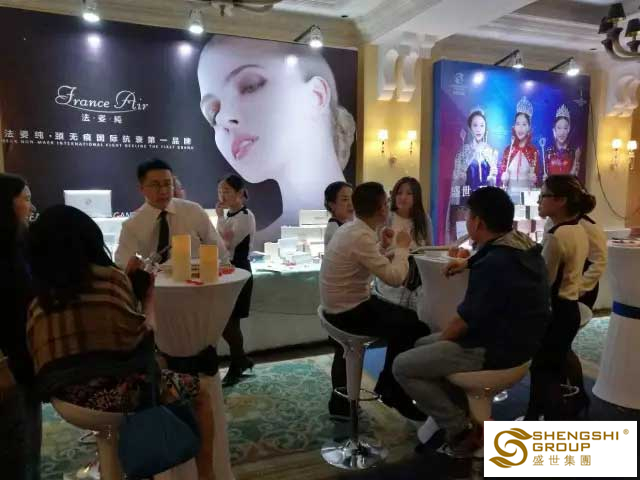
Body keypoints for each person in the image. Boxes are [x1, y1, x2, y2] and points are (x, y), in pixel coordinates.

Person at [26, 205, 215, 479]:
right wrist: (147, 298)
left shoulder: (38, 298)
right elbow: (143, 338)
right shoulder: (110, 280)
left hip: (66, 400)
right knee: (202, 391)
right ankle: (207, 475)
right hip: (118, 397)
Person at [393, 187, 550, 457]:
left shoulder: (494, 265)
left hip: (493, 349)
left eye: (468, 216)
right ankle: (460, 411)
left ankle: (461, 429)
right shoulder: (524, 246)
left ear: (478, 222)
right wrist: (467, 264)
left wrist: (439, 345)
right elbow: (492, 257)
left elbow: (461, 324)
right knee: (421, 344)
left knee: (403, 365)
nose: (466, 221)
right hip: (523, 344)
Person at [197, 35, 356, 248]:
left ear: (316, 95)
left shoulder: (366, 229)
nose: (224, 118)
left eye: (250, 86)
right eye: (213, 113)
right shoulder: (258, 244)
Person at [320, 182, 430, 421]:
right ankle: (393, 389)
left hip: (339, 306)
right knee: (415, 326)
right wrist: (402, 248)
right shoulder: (359, 235)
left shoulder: (352, 229)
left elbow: (365, 259)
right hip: (348, 311)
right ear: (382, 208)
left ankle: (389, 385)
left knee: (405, 320)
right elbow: (395, 278)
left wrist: (383, 245)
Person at [525, 175, 591, 421]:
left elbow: (544, 282)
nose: (539, 201)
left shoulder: (557, 236)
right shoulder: (578, 229)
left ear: (561, 201)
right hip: (569, 308)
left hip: (555, 312)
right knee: (553, 367)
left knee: (544, 373)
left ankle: (543, 421)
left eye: (543, 196)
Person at [0, 173, 41, 480]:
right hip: (7, 363)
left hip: (24, 357)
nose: (31, 206)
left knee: (26, 435)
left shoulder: (20, 242)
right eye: (25, 199)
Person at [114, 158, 228, 268]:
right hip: (155, 280)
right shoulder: (133, 224)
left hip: (194, 279)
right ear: (141, 188)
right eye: (155, 185)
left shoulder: (193, 211)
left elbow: (218, 250)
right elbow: (122, 263)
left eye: (167, 184)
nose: (163, 191)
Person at [216, 174, 257, 385]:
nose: (222, 195)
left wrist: (219, 219)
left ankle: (237, 364)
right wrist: (220, 217)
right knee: (227, 321)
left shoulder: (245, 216)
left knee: (230, 322)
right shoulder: (229, 216)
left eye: (227, 191)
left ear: (240, 193)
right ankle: (241, 360)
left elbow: (225, 245)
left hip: (240, 271)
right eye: (220, 191)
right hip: (228, 271)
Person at [375, 177, 433, 310]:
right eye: (399, 193)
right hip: (389, 280)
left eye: (409, 193)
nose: (403, 197)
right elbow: (376, 250)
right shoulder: (387, 218)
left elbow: (429, 250)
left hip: (416, 282)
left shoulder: (424, 219)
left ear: (416, 197)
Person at [499, 96, 539, 196]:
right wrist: (503, 178)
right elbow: (502, 180)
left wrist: (534, 180)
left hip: (527, 198)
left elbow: (538, 180)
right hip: (509, 197)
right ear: (514, 127)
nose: (520, 128)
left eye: (524, 124)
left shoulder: (533, 151)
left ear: (529, 127)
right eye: (518, 124)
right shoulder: (508, 150)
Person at [543, 105, 581, 178]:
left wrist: (575, 165)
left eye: (565, 128)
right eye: (559, 128)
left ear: (568, 129)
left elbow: (574, 178)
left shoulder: (573, 153)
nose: (562, 132)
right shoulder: (548, 152)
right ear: (554, 130)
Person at [323, 181, 353, 247]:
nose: (351, 203)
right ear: (332, 205)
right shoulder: (334, 230)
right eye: (345, 199)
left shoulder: (346, 224)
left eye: (352, 198)